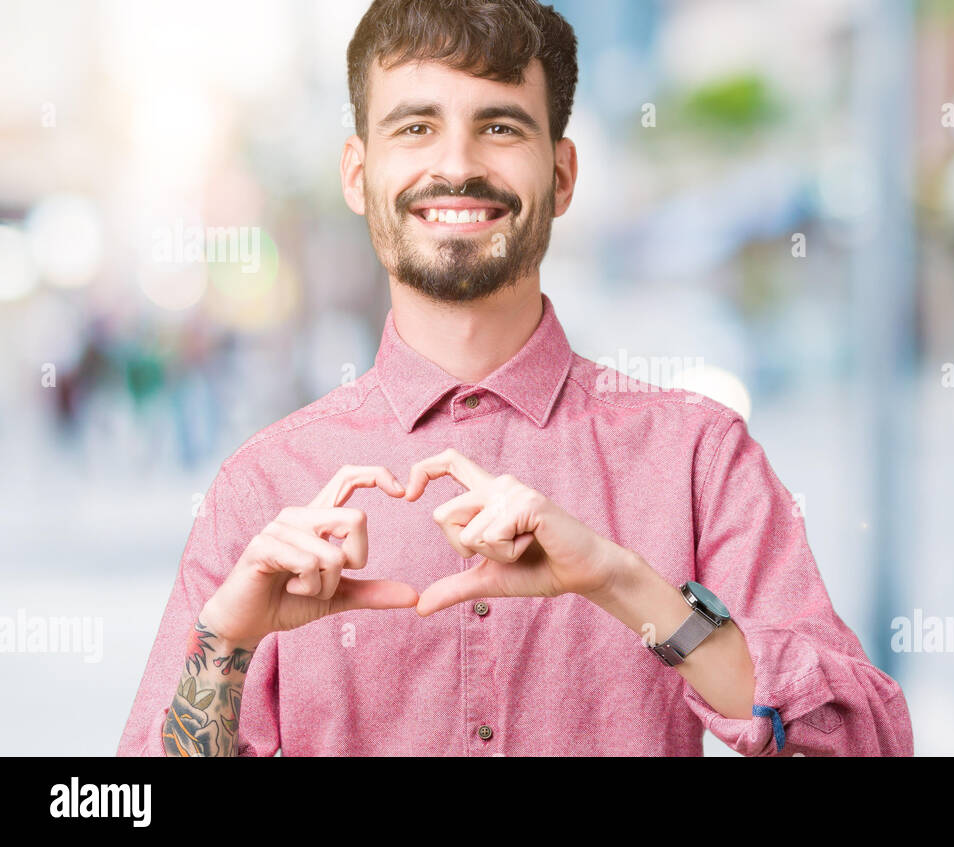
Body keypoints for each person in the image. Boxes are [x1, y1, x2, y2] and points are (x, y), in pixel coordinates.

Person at [116, 0, 913, 757]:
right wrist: (226, 644)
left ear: (563, 175)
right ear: (357, 174)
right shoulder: (263, 487)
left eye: (499, 126)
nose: (457, 166)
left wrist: (624, 583)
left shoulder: (700, 458)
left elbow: (863, 740)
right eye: (416, 126)